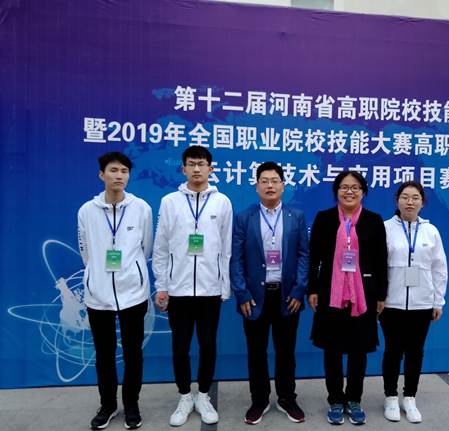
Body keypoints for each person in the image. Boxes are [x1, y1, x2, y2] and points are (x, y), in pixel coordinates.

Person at [152, 146, 232, 427]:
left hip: (210, 290)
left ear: (211, 168)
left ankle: (204, 395)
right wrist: (162, 285)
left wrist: (224, 286)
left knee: (208, 345)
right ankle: (185, 395)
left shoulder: (222, 202)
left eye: (201, 164)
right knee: (180, 346)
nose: (197, 169)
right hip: (179, 290)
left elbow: (226, 248)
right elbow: (161, 247)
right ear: (183, 168)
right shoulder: (170, 202)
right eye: (191, 164)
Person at [78, 152, 152, 430]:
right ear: (102, 175)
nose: (119, 175)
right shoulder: (87, 211)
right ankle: (108, 405)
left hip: (133, 293)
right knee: (104, 354)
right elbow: (85, 250)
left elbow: (145, 247)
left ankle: (131, 404)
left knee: (133, 353)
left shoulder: (141, 208)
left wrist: (132, 272)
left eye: (124, 171)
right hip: (98, 296)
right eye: (113, 170)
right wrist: (96, 276)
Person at [230, 161, 309, 425]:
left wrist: (299, 289)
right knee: (256, 352)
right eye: (264, 181)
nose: (270, 185)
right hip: (254, 297)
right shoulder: (244, 217)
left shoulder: (296, 216)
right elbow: (237, 258)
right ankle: (259, 400)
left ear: (283, 185)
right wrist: (241, 293)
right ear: (256, 186)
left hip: (287, 296)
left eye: (274, 181)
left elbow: (304, 255)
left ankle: (287, 398)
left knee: (286, 352)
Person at [307, 171, 387, 426]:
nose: (349, 191)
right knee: (332, 350)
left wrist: (381, 294)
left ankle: (354, 399)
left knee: (358, 350)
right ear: (336, 191)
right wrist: (312, 289)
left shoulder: (374, 220)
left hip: (364, 295)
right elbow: (314, 257)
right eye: (344, 187)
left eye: (355, 187)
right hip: (330, 293)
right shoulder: (324, 218)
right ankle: (334, 399)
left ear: (363, 192)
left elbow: (381, 260)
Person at [380, 181, 448, 424]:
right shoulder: (385, 228)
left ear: (422, 202)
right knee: (392, 351)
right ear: (397, 200)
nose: (410, 202)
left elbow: (439, 268)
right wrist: (378, 298)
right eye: (405, 197)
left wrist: (438, 301)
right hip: (391, 303)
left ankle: (409, 397)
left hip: (422, 304)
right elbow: (377, 266)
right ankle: (390, 397)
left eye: (415, 197)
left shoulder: (431, 231)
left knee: (415, 351)